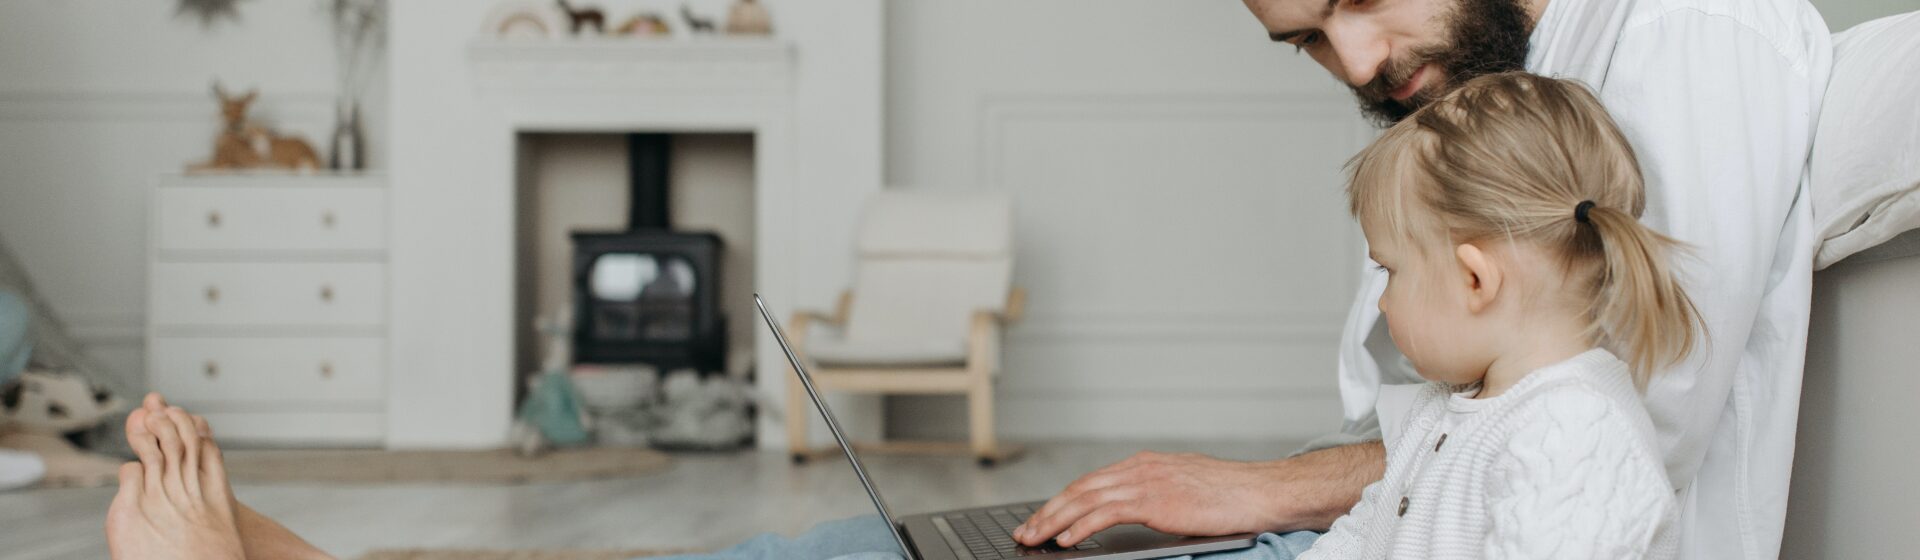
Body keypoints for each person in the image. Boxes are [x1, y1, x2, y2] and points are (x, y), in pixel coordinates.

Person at [106, 0, 1830, 555]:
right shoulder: (1487, 114)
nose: (1362, 52)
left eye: (1347, 1)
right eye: (1304, 39)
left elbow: (1634, 435)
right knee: (870, 537)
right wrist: (1256, 497)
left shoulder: (1697, 29)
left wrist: (1256, 493)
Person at [1300, 71, 1694, 558]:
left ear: (1475, 281)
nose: (1382, 302)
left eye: (1391, 272)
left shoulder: (1571, 434)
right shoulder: (1445, 405)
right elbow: (1366, 534)